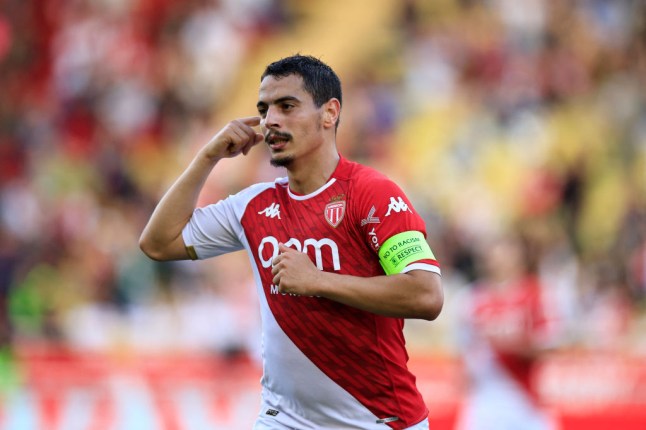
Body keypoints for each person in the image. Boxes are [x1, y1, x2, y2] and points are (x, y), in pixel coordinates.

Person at [139, 54, 443, 429]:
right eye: (264, 110)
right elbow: (158, 243)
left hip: (378, 420)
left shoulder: (373, 194)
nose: (271, 121)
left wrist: (317, 280)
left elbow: (427, 295)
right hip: (284, 418)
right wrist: (208, 156)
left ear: (329, 113)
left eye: (287, 106)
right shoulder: (252, 205)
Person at [454, 232, 560, 430]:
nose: (499, 258)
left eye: (507, 251)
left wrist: (510, 344)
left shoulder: (536, 294)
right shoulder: (472, 298)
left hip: (524, 398)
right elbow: (463, 349)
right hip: (484, 399)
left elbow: (549, 345)